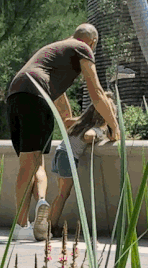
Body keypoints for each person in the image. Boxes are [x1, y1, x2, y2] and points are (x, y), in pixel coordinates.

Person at [5, 24, 119, 234]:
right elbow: (98, 94)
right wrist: (114, 126)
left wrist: (69, 121)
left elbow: (60, 101)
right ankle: (21, 226)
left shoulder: (55, 51)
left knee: (32, 160)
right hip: (37, 95)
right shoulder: (82, 48)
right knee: (30, 162)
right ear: (92, 43)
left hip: (15, 93)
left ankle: (39, 205)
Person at [35, 95, 106, 241]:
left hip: (61, 153)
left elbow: (67, 122)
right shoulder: (94, 128)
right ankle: (50, 226)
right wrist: (100, 133)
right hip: (68, 157)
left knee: (62, 194)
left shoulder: (81, 122)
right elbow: (88, 136)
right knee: (63, 195)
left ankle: (50, 224)